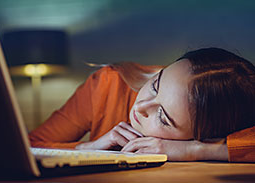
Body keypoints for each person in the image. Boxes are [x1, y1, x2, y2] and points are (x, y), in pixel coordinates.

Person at [29, 47, 255, 162]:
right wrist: (88, 148)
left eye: (163, 118)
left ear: (205, 134)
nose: (140, 107)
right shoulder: (109, 83)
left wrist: (195, 150)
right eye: (155, 84)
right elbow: (29, 146)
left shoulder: (217, 130)